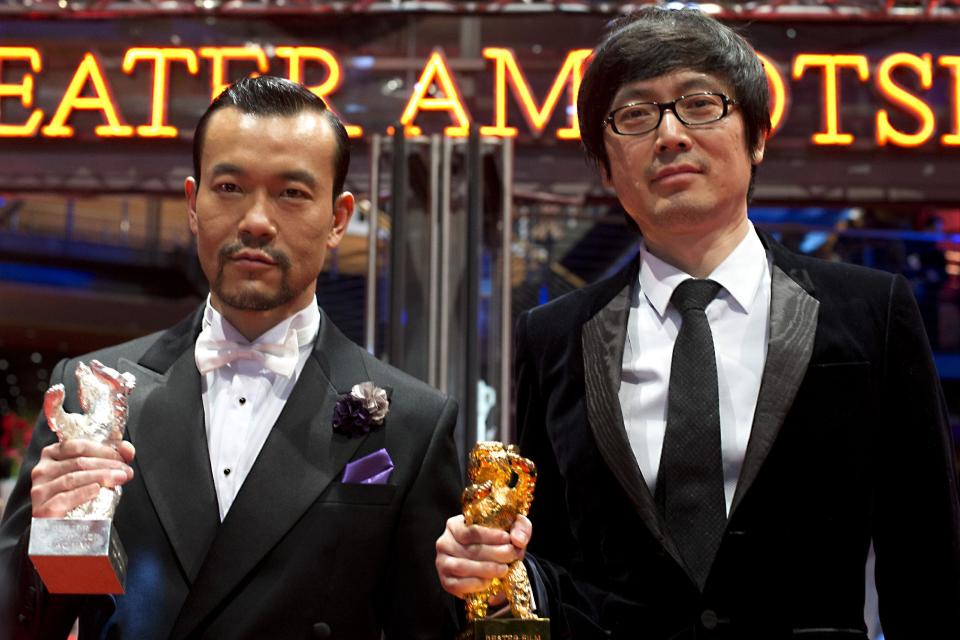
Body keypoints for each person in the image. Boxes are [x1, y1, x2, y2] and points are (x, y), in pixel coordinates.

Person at [436, 7, 960, 638]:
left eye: (700, 104)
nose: (670, 135)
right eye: (635, 114)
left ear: (757, 136)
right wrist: (492, 565)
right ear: (605, 165)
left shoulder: (871, 310)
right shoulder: (553, 335)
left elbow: (926, 553)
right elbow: (548, 555)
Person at [1, 76, 461, 640]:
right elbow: (22, 622)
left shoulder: (414, 422)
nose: (256, 221)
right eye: (229, 187)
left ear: (339, 218)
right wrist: (43, 536)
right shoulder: (91, 391)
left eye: (292, 192)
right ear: (194, 204)